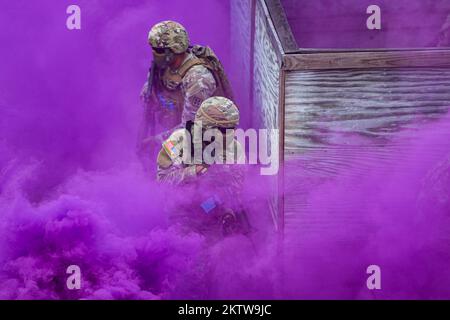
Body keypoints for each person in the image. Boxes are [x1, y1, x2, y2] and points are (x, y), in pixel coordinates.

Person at [137, 20, 234, 166]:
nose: (154, 54)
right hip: (179, 138)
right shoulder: (164, 67)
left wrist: (156, 142)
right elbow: (149, 95)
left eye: (159, 50)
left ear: (174, 50)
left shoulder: (198, 78)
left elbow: (191, 128)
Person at [156, 96, 250, 240]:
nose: (230, 134)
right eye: (224, 129)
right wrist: (193, 172)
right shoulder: (178, 141)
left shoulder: (235, 150)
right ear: (206, 126)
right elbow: (162, 183)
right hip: (179, 213)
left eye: (233, 128)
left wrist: (219, 207)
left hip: (212, 213)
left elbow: (235, 191)